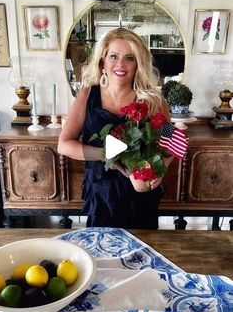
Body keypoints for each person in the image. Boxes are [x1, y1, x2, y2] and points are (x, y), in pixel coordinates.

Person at [58, 27, 174, 229]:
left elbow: (170, 139)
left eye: (129, 58)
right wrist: (107, 155)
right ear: (103, 61)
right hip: (101, 194)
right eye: (114, 56)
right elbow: (64, 145)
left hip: (140, 194)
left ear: (138, 63)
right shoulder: (88, 96)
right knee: (102, 254)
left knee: (141, 255)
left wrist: (160, 169)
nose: (120, 64)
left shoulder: (153, 100)